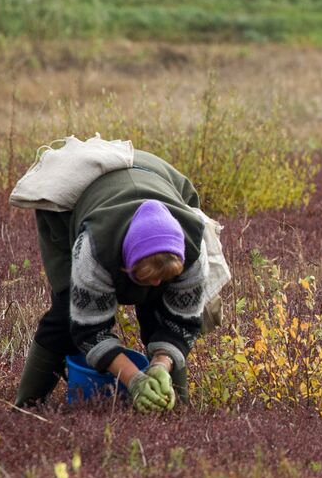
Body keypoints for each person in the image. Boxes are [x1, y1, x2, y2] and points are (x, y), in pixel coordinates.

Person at [14, 150, 220, 412]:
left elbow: (183, 324)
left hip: (157, 175)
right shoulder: (93, 248)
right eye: (146, 277)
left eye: (165, 278)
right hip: (80, 202)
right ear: (123, 266)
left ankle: (177, 408)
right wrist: (134, 379)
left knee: (158, 312)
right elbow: (89, 331)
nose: (157, 285)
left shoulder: (192, 252)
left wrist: (159, 366)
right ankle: (26, 408)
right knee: (65, 316)